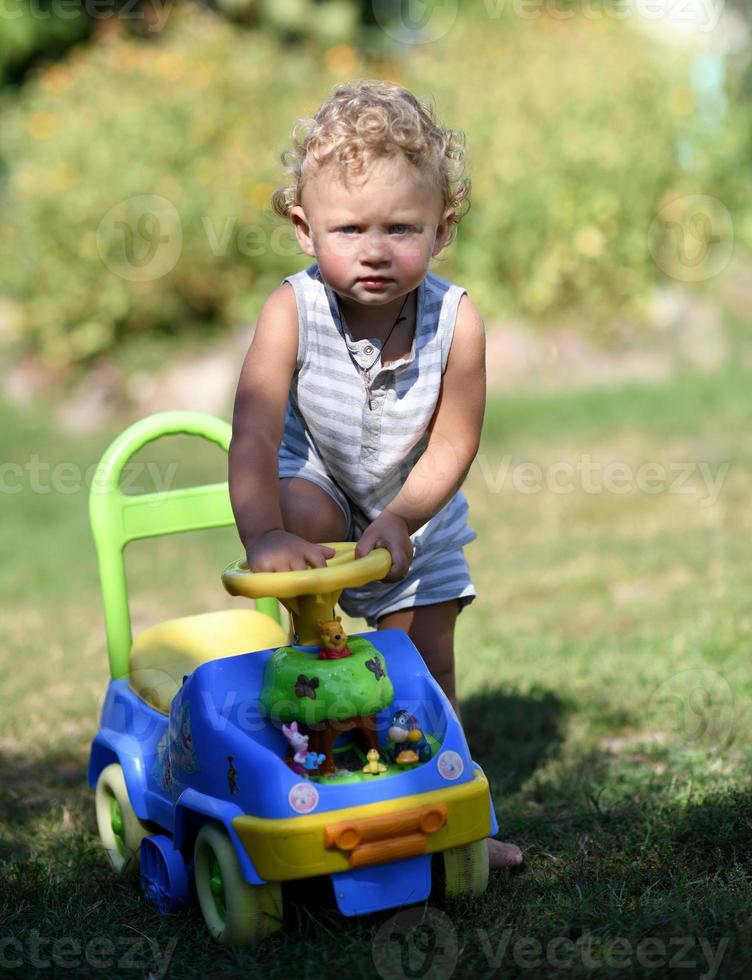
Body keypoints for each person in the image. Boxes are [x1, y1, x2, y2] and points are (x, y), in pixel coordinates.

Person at [228, 79, 522, 870]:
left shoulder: (459, 321)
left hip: (417, 510)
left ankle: (454, 819)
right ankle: (314, 789)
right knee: (302, 522)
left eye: (403, 227)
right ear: (303, 226)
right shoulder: (291, 311)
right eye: (349, 227)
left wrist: (404, 517)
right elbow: (254, 428)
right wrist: (263, 533)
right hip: (318, 487)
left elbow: (455, 441)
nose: (375, 247)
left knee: (420, 673)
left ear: (443, 226)